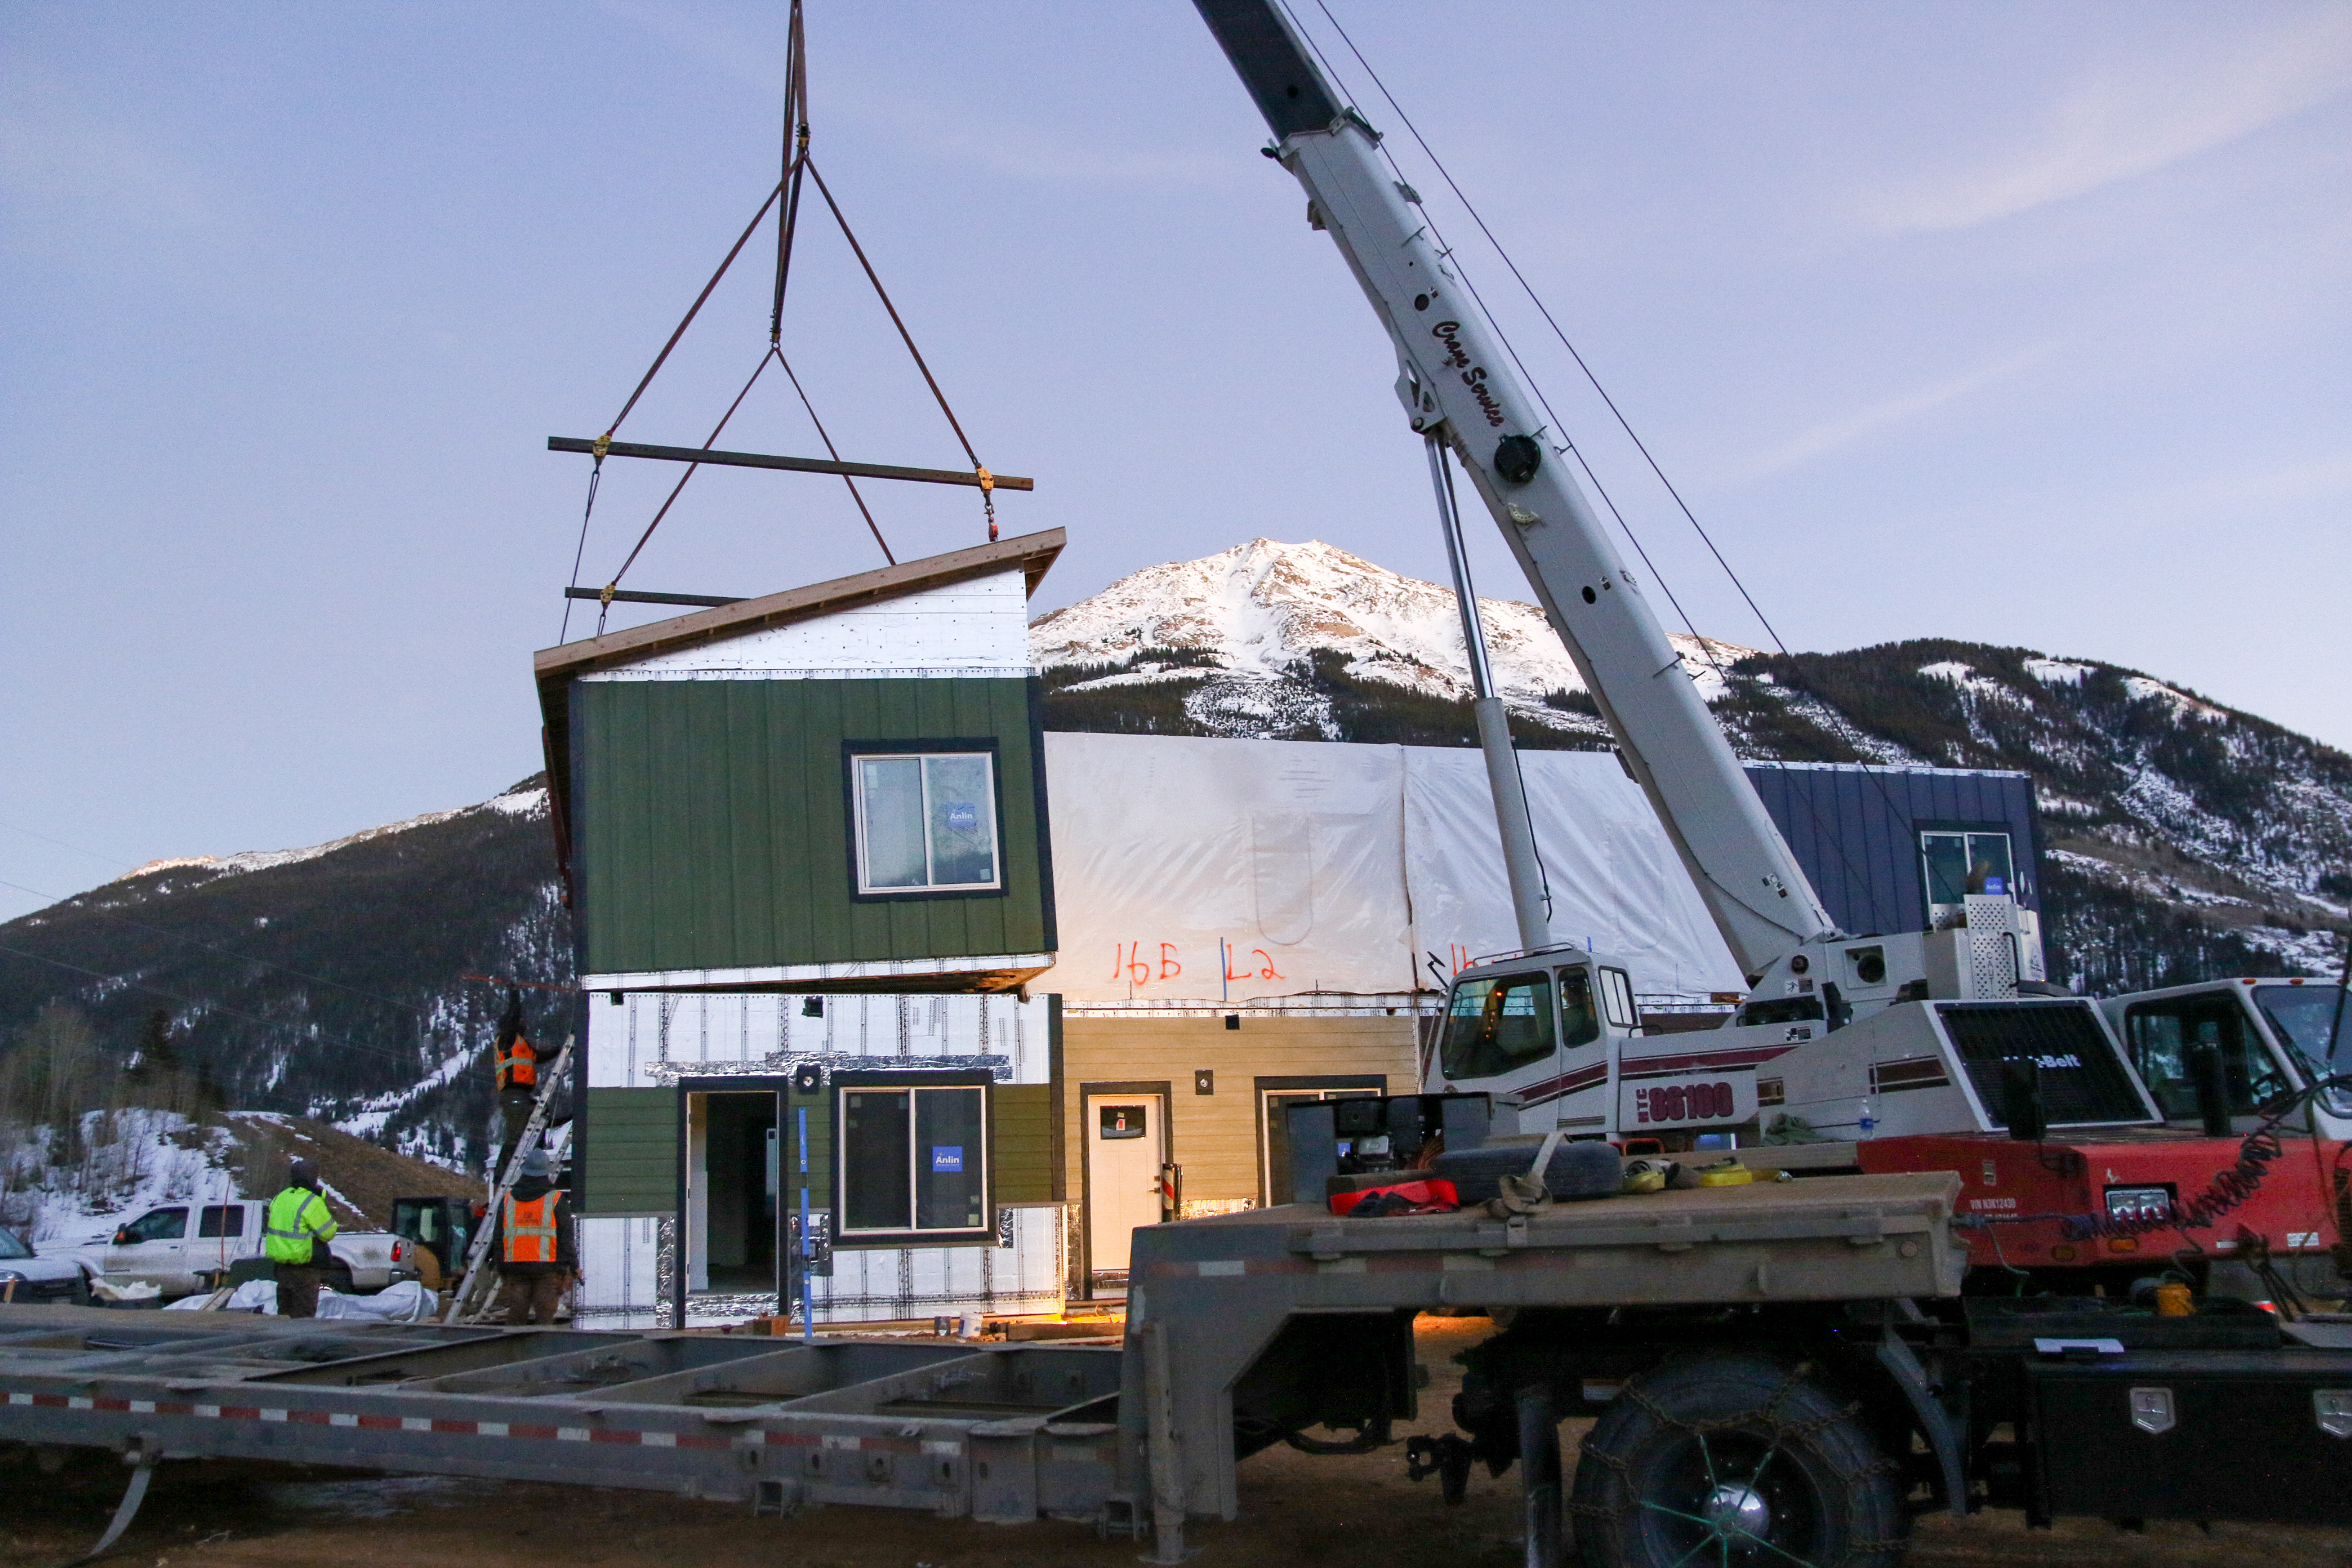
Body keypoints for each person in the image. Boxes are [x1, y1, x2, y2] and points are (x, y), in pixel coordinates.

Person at [492, 1148, 574, 1325]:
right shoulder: (556, 1200)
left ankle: (513, 1352)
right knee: (544, 1322)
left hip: (516, 1269)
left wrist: (501, 1268)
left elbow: (498, 1238)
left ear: (524, 1171)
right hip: (547, 1271)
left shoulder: (507, 1200)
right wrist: (572, 1267)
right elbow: (566, 1238)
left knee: (516, 1321)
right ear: (546, 1172)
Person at [264, 1159, 339, 1318]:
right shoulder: (311, 1201)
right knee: (304, 1316)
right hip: (305, 1269)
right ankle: (299, 1343)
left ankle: (282, 1342)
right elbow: (328, 1233)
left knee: (284, 1313)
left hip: (282, 1268)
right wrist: (321, 1201)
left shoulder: (280, 1198)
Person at [493, 988, 539, 1181]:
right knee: (515, 1136)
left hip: (522, 1094)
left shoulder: (522, 1045)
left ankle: (524, 1172)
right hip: (513, 1094)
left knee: (535, 1126)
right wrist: (514, 994)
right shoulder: (507, 1039)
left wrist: (563, 1049)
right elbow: (514, 1015)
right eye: (520, 1022)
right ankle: (501, 1176)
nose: (523, 1023)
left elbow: (541, 1056)